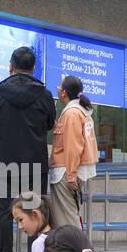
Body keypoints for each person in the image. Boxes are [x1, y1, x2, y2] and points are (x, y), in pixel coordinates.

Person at [0, 46, 55, 252]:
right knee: (35, 209)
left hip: (5, 162)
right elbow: (50, 124)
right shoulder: (45, 94)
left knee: (4, 211)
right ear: (33, 69)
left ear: (11, 67)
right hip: (36, 163)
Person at [49, 75, 98, 229]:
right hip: (72, 170)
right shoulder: (82, 112)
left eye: (59, 86)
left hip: (66, 172)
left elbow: (73, 147)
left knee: (67, 218)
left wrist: (71, 176)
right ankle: (75, 249)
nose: (57, 88)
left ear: (63, 93)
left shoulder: (71, 113)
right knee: (70, 215)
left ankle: (77, 251)